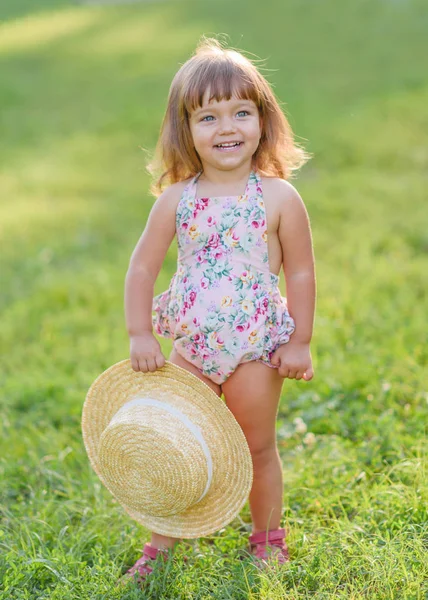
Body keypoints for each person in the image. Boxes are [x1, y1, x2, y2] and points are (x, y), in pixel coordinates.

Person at [123, 36, 316, 583]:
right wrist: (141, 333)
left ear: (263, 120)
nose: (227, 127)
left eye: (241, 112)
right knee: (181, 447)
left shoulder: (279, 198)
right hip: (192, 347)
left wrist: (298, 341)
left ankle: (267, 539)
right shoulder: (177, 200)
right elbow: (142, 269)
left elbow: (301, 272)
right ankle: (163, 543)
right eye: (208, 116)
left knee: (256, 446)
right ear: (185, 130)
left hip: (256, 348)